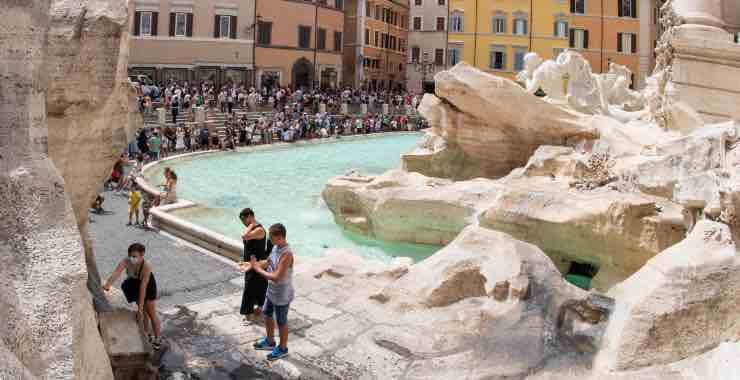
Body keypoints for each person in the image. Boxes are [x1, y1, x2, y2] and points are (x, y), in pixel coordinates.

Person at [245, 223, 294, 361]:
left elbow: (276, 277)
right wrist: (250, 265)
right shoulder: (276, 247)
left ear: (280, 237)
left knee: (281, 321)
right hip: (272, 291)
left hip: (282, 294)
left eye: (272, 238)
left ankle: (283, 349)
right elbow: (268, 262)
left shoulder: (287, 254)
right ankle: (270, 341)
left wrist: (257, 269)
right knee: (267, 314)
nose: (269, 241)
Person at [102, 243, 162, 350]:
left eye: (135, 256)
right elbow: (116, 273)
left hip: (148, 286)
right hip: (135, 283)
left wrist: (140, 306)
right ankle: (147, 333)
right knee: (143, 311)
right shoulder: (126, 261)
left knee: (151, 312)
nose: (132, 258)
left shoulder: (146, 267)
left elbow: (143, 287)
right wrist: (106, 286)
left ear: (142, 255)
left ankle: (157, 338)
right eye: (130, 255)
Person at [237, 209, 269, 323]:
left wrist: (251, 225)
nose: (243, 223)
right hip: (250, 263)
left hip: (257, 264)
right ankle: (260, 308)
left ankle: (248, 315)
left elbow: (244, 236)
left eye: (244, 220)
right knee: (258, 287)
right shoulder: (252, 229)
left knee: (249, 288)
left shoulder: (259, 230)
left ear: (250, 216)